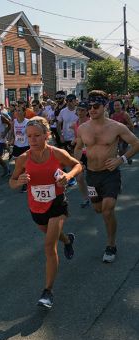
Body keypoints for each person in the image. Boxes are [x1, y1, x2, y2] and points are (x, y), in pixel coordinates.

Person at [9, 117, 82, 309]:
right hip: (36, 207)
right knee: (51, 234)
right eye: (29, 136)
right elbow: (12, 182)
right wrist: (19, 181)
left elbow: (78, 165)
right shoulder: (23, 158)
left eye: (37, 136)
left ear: (47, 135)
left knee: (49, 246)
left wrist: (68, 175)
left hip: (56, 204)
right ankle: (68, 240)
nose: (32, 140)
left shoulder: (57, 153)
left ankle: (47, 292)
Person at [74, 90, 139, 263]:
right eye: (90, 106)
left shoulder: (116, 127)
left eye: (96, 106)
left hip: (110, 173)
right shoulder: (82, 128)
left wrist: (121, 159)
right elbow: (79, 147)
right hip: (92, 175)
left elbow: (136, 143)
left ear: (104, 107)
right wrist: (77, 161)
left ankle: (111, 245)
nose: (92, 110)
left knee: (107, 209)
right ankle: (108, 196)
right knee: (98, 209)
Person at [71, 101, 90, 208]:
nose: (80, 112)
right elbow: (77, 137)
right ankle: (86, 198)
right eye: (78, 110)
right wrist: (75, 140)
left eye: (83, 110)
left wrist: (78, 140)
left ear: (87, 111)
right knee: (79, 177)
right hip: (80, 154)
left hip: (91, 153)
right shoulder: (76, 123)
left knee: (92, 178)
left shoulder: (90, 122)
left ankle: (96, 195)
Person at [9, 107, 29, 192]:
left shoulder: (28, 122)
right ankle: (22, 181)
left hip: (26, 146)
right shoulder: (14, 121)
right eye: (16, 110)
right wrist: (11, 139)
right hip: (17, 146)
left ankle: (25, 184)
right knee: (18, 166)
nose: (17, 112)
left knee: (26, 166)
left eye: (19, 110)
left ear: (24, 112)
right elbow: (12, 132)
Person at [110, 99, 134, 164]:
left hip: (124, 136)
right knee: (120, 151)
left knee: (122, 148)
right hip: (116, 137)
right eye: (115, 105)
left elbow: (131, 125)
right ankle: (126, 157)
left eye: (118, 105)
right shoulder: (112, 116)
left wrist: (130, 134)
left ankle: (127, 158)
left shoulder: (125, 114)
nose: (116, 107)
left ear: (121, 106)